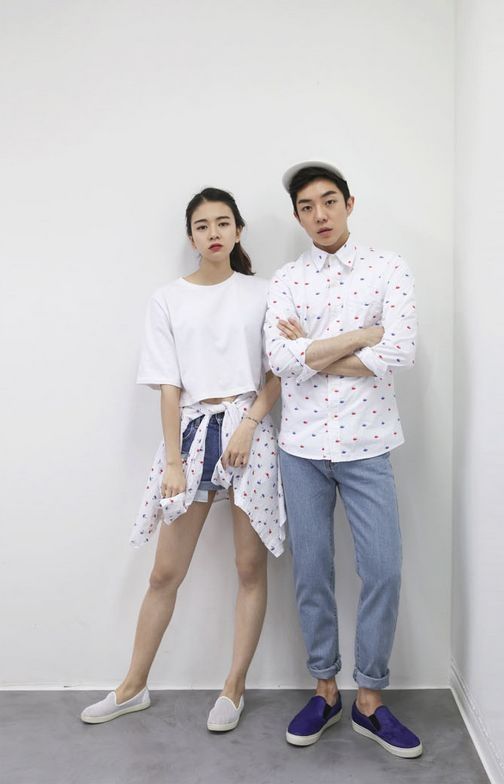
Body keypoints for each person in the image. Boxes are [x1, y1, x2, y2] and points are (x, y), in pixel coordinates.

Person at [81, 187, 285, 731]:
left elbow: (278, 372)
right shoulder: (167, 298)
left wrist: (248, 425)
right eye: (202, 225)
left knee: (249, 567)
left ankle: (233, 688)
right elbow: (168, 386)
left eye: (223, 223)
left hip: (249, 432)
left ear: (238, 231)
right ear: (190, 236)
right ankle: (132, 686)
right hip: (193, 435)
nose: (213, 233)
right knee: (164, 573)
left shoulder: (265, 292)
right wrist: (173, 461)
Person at [264, 161, 422, 757]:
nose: (320, 214)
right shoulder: (287, 279)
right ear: (298, 216)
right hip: (300, 448)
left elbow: (401, 351)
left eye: (329, 201)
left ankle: (370, 699)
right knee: (312, 572)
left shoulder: (389, 268)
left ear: (349, 204)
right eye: (307, 207)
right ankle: (325, 690)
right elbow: (281, 362)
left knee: (383, 570)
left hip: (368, 443)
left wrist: (312, 349)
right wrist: (361, 335)